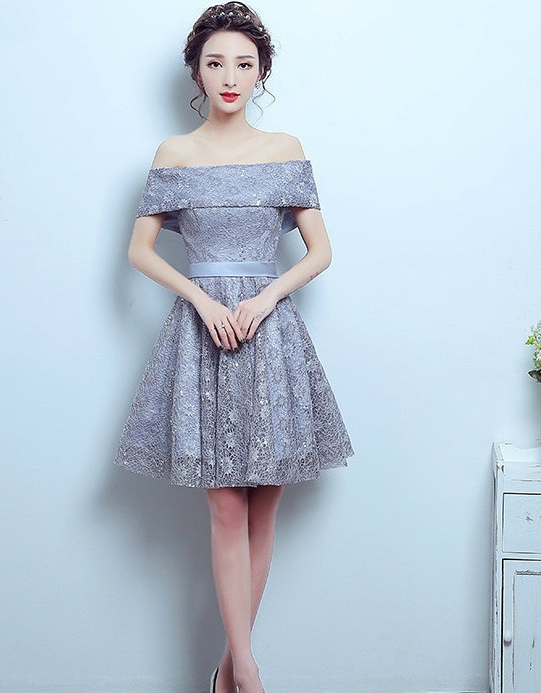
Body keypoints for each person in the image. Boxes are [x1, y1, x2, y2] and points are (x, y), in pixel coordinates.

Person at [114, 3, 355, 691]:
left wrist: (266, 297)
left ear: (260, 73)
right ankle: (247, 671)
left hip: (269, 333)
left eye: (243, 64)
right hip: (204, 332)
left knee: (263, 505)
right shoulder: (174, 154)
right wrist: (200, 298)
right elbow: (139, 252)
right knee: (224, 505)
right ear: (196, 71)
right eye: (216, 63)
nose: (229, 77)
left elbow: (320, 251)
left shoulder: (284, 148)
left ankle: (227, 669)